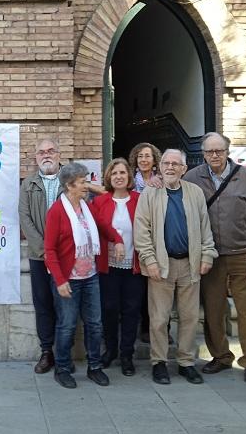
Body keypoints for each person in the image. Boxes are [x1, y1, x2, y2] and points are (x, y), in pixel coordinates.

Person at [184, 132, 246, 384]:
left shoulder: (245, 176)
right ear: (203, 153)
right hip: (210, 255)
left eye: (219, 151)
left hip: (243, 253)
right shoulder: (193, 177)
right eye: (209, 151)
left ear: (227, 151)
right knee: (213, 308)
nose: (214, 156)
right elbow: (171, 192)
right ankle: (220, 356)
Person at [134, 149, 217, 385]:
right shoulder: (150, 193)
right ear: (160, 166)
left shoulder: (195, 193)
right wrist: (149, 260)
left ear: (184, 168)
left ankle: (186, 363)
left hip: (189, 264)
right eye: (166, 163)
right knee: (159, 318)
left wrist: (207, 256)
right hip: (161, 264)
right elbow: (142, 231)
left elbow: (204, 227)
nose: (170, 168)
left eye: (175, 164)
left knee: (190, 317)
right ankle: (158, 362)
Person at [44, 162, 124, 389]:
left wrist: (117, 239)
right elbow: (49, 250)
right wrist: (59, 280)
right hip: (68, 279)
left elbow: (102, 226)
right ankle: (62, 368)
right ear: (69, 186)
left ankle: (95, 367)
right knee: (67, 325)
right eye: (82, 182)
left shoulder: (87, 207)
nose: (86, 186)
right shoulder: (56, 211)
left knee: (94, 324)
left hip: (90, 277)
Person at [91, 158, 144, 376]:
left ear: (129, 177)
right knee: (109, 309)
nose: (119, 176)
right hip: (108, 266)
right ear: (109, 178)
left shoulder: (140, 200)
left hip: (134, 266)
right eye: (114, 174)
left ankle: (127, 354)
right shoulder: (99, 202)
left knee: (131, 311)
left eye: (122, 172)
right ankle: (111, 349)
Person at [19, 138, 63, 374]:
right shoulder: (28, 184)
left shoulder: (71, 180)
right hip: (39, 257)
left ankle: (64, 352)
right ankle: (47, 351)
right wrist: (45, 250)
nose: (46, 155)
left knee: (65, 304)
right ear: (35, 157)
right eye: (41, 152)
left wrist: (59, 251)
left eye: (51, 150)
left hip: (66, 258)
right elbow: (24, 218)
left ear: (58, 154)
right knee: (43, 303)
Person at [128, 142, 166, 344]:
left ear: (154, 160)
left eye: (148, 156)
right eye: (140, 156)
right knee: (141, 288)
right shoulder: (128, 181)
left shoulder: (162, 181)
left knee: (161, 285)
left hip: (159, 239)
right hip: (135, 239)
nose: (143, 159)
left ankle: (163, 328)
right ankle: (143, 328)